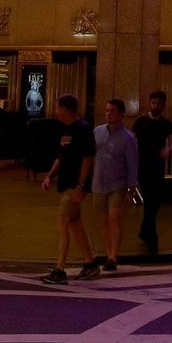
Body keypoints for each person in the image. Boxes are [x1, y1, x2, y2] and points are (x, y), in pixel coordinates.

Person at [40, 94, 98, 285]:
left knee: (62, 222)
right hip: (65, 183)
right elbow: (61, 156)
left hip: (74, 185)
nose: (56, 112)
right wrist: (50, 176)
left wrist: (81, 185)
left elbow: (88, 158)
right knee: (75, 223)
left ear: (65, 108)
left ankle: (59, 270)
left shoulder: (83, 129)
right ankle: (90, 263)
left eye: (57, 108)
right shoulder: (65, 129)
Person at [92, 99, 138, 272]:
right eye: (106, 110)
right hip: (98, 183)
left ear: (121, 114)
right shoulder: (97, 132)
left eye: (112, 111)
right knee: (103, 221)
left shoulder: (128, 138)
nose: (108, 113)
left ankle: (113, 256)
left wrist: (132, 188)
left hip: (117, 183)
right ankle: (107, 250)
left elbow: (132, 164)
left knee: (115, 218)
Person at [132, 90, 172, 255]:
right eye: (153, 103)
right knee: (150, 199)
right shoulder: (141, 121)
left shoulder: (166, 123)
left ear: (163, 104)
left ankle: (146, 230)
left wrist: (168, 150)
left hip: (157, 166)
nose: (155, 106)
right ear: (150, 103)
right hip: (143, 165)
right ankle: (151, 236)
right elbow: (132, 139)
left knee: (154, 200)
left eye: (158, 103)